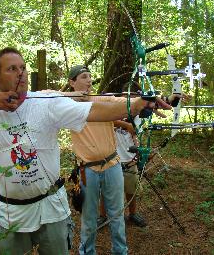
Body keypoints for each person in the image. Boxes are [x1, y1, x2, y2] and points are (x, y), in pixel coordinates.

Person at [0, 48, 167, 255]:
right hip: (12, 214)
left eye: (23, 68)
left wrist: (136, 104)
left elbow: (96, 110)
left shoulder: (46, 103)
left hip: (51, 209)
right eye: (12, 69)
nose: (20, 73)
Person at [67, 65, 173, 255]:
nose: (89, 80)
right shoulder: (65, 105)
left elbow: (127, 103)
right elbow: (44, 100)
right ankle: (86, 252)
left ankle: (120, 251)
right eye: (84, 77)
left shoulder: (104, 100)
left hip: (112, 165)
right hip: (87, 171)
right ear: (72, 82)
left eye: (90, 77)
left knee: (116, 215)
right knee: (89, 218)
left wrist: (149, 101)